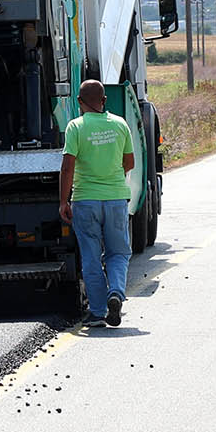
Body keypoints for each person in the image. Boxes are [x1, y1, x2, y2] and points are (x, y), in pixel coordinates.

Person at [59, 79, 135, 329]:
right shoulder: (120, 124)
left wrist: (63, 201)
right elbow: (129, 163)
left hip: (85, 201)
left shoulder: (75, 127)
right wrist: (111, 177)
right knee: (118, 253)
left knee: (91, 257)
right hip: (116, 199)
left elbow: (68, 167)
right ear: (104, 100)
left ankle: (98, 312)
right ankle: (116, 293)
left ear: (79, 102)